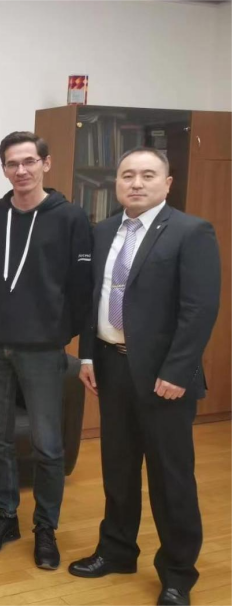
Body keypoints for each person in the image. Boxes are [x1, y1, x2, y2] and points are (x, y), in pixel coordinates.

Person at [69, 148, 220, 606]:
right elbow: (94, 299)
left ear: (167, 183)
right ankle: (117, 550)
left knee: (170, 477)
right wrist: (88, 357)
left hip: (163, 376)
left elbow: (199, 309)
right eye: (128, 175)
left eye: (148, 175)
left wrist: (177, 370)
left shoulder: (191, 231)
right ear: (116, 182)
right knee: (117, 467)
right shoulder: (103, 231)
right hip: (111, 366)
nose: (136, 183)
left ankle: (177, 573)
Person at [0, 131, 92, 569]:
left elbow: (82, 288)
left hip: (43, 350)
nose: (21, 170)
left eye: (29, 161)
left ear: (46, 163)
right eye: (12, 163)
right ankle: (6, 516)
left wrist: (62, 334)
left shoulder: (71, 217)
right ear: (3, 169)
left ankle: (46, 527)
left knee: (47, 444)